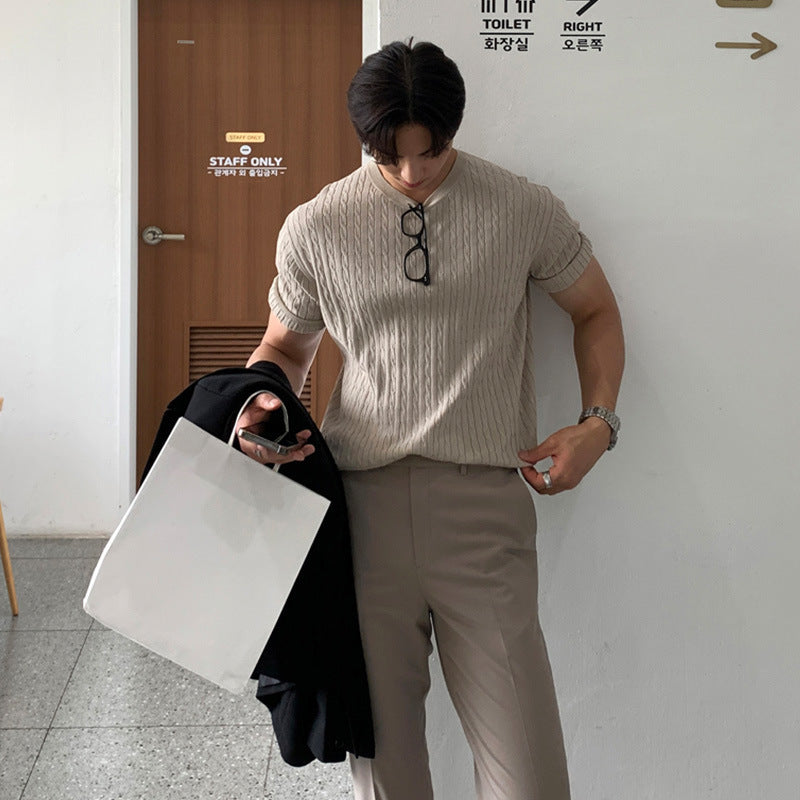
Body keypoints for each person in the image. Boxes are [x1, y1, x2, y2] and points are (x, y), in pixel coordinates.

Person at [240, 40, 624, 800]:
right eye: (389, 156)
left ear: (454, 130)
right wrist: (262, 399)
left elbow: (596, 310)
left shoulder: (520, 207)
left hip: (485, 510)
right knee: (385, 772)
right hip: (360, 515)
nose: (412, 172)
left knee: (531, 779)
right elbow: (285, 347)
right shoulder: (317, 226)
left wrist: (598, 423)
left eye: (431, 151)